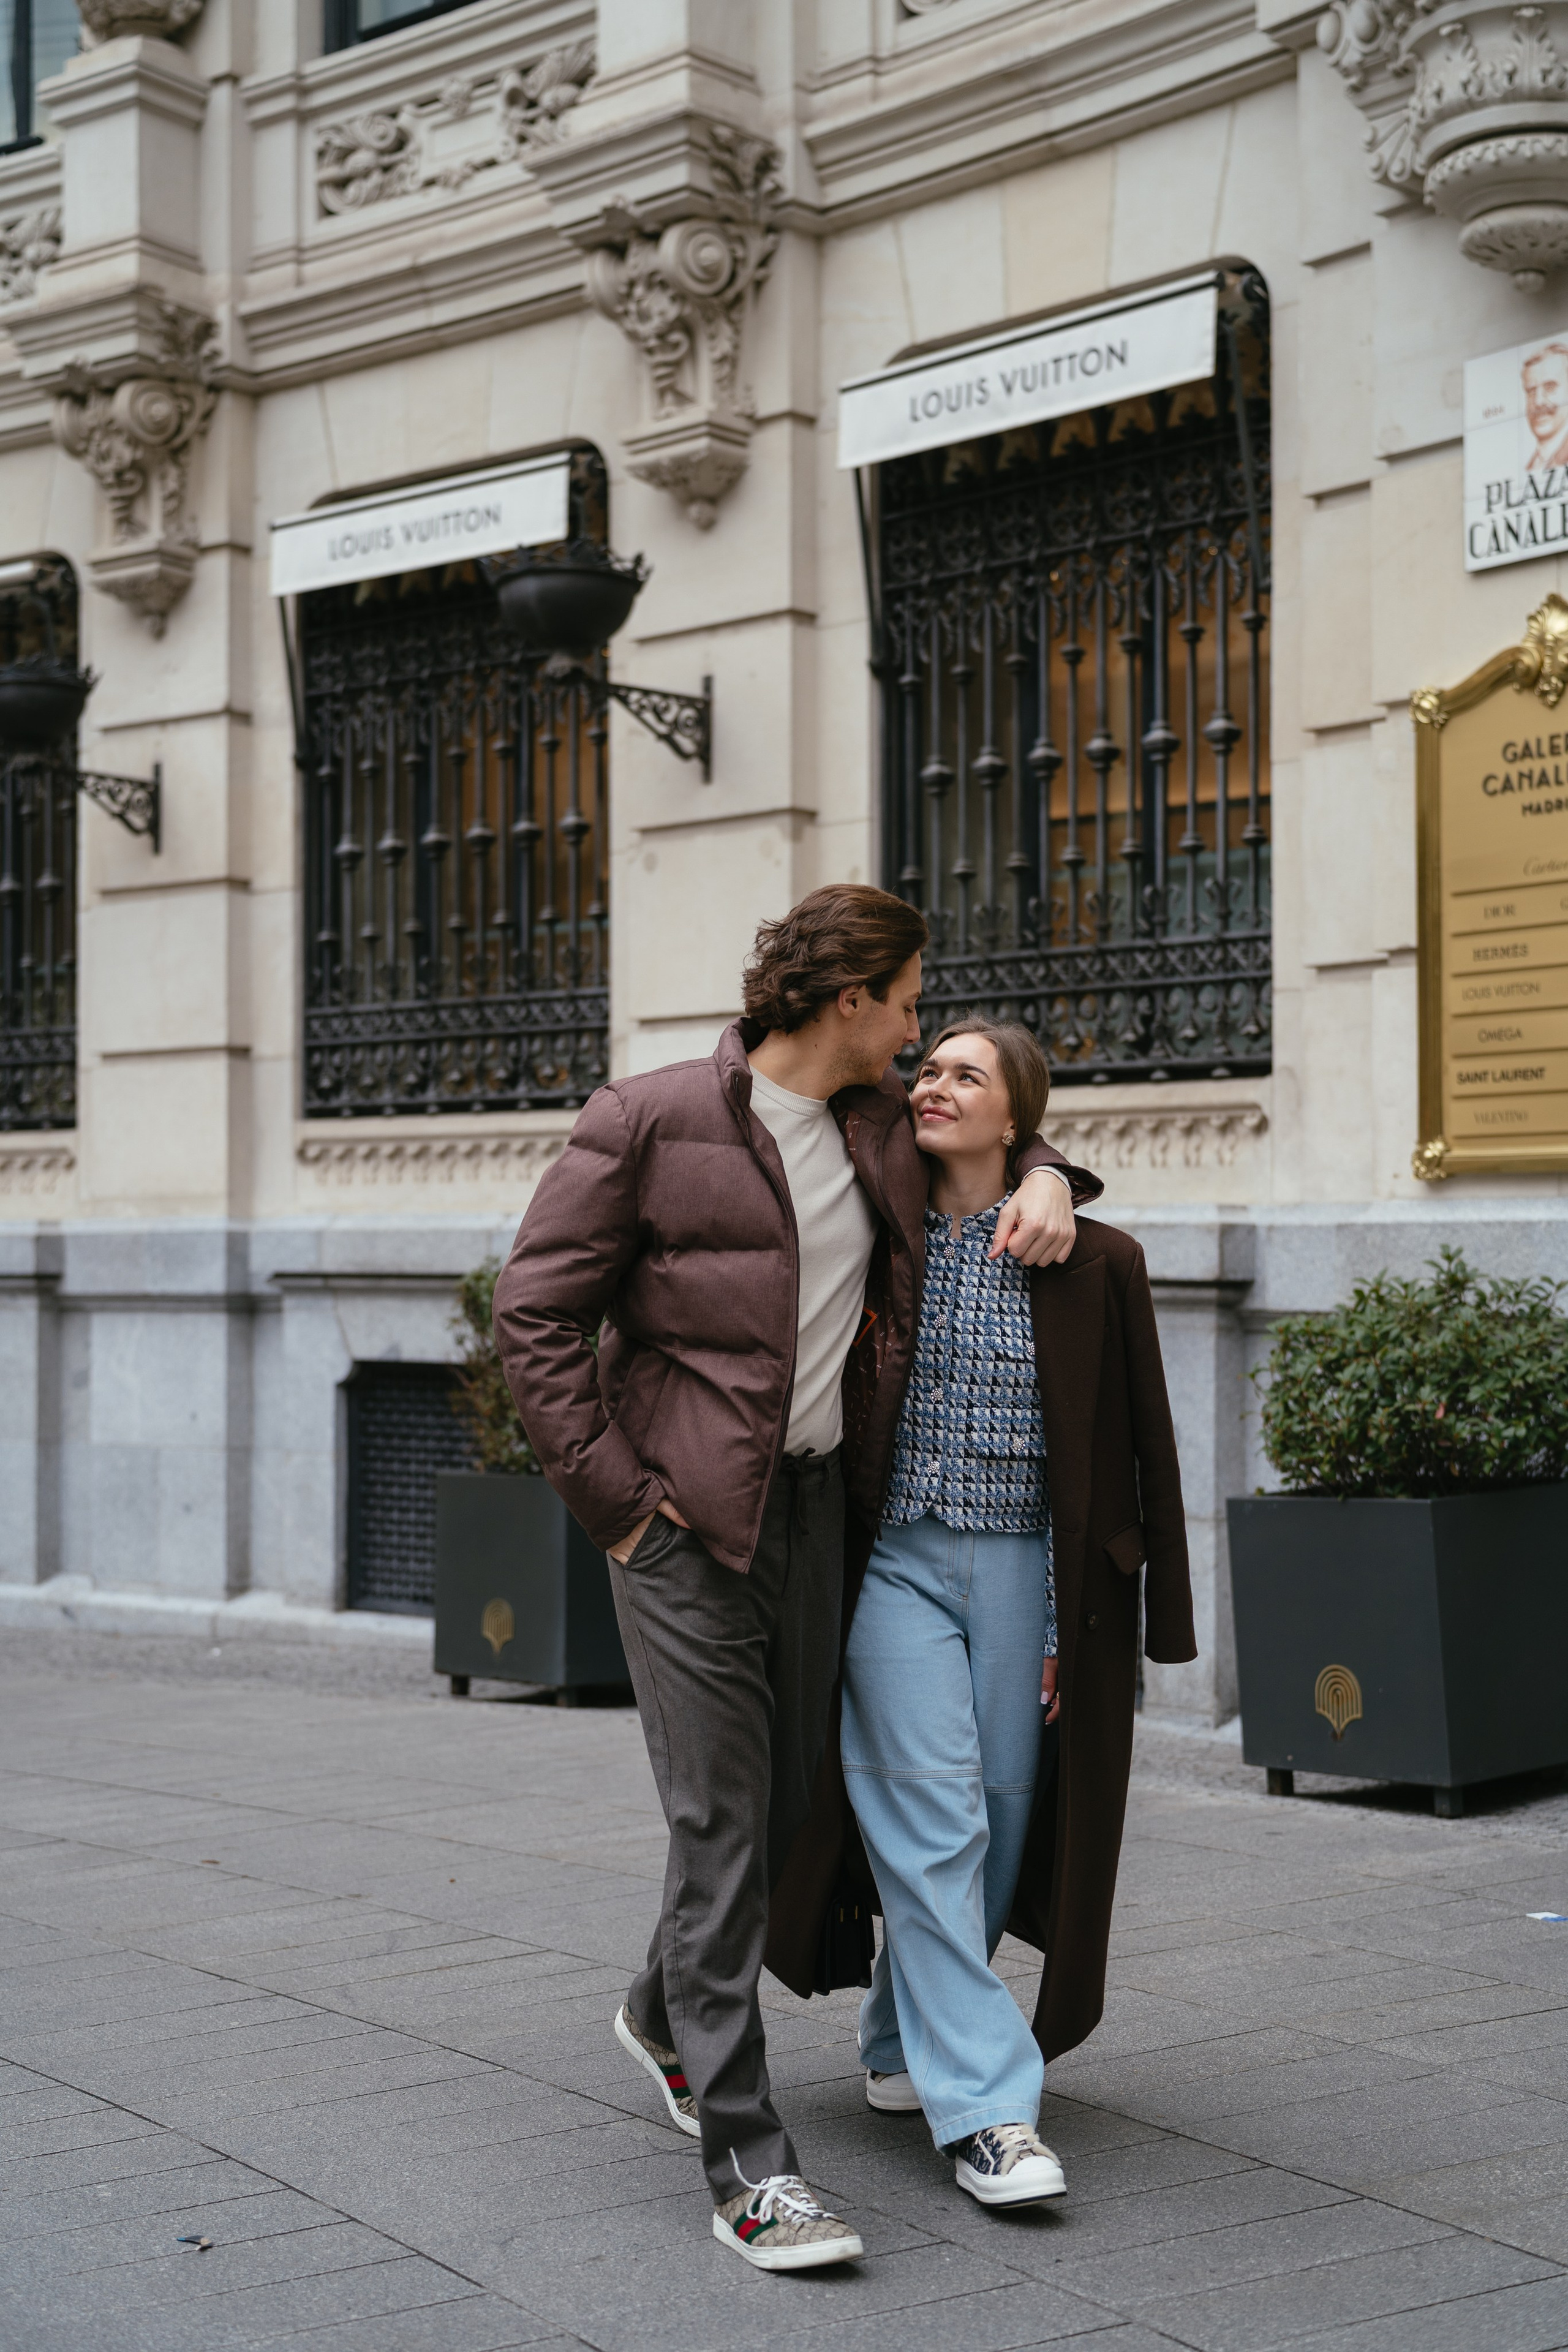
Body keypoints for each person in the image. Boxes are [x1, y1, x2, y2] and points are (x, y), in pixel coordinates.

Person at [491, 888, 1100, 2272]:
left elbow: (990, 1133)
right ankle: (753, 2169)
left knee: (788, 1804)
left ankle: (661, 2009)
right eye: (907, 1003)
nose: (916, 1029)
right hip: (684, 1533)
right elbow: (532, 1314)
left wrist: (1054, 1166)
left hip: (823, 1518)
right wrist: (621, 1509)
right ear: (850, 1004)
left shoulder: (872, 1127)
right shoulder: (646, 1119)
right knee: (725, 1827)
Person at [832, 1016, 1197, 2209]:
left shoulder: (1093, 1261)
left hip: (1024, 1570)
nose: (929, 1084)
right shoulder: (871, 1230)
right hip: (891, 1563)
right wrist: (1042, 1161)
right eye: (925, 1066)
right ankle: (990, 2110)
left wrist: (1063, 1622)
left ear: (1012, 1112)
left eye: (962, 1075)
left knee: (991, 1814)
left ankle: (897, 2041)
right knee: (933, 1814)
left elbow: (1125, 1455)